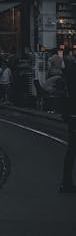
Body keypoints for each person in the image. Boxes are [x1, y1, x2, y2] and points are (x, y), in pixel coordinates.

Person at [59, 60, 76, 192]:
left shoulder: (68, 78)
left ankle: (66, 181)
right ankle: (66, 181)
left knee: (71, 149)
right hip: (73, 116)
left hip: (71, 116)